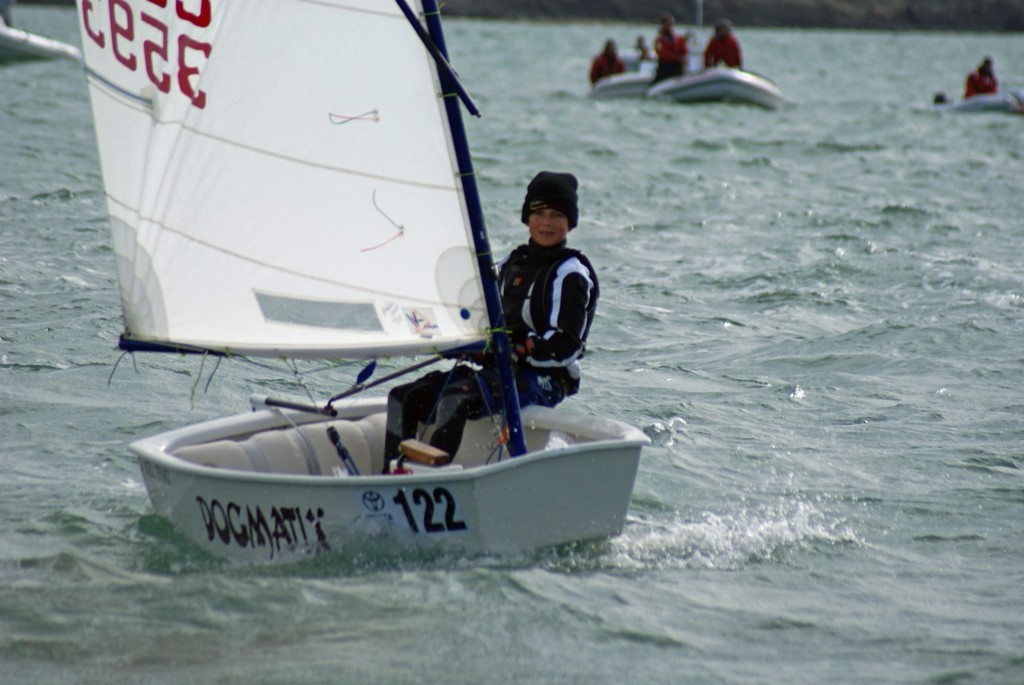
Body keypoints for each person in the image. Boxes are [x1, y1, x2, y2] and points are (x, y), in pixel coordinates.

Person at [384, 171, 599, 468]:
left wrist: (521, 347)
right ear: (527, 219)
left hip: (547, 377)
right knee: (402, 398)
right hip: (499, 369)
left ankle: (428, 478)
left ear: (570, 223)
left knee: (453, 401)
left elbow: (568, 345)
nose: (547, 222)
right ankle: (392, 472)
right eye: (539, 213)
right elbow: (472, 311)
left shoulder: (571, 274)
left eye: (557, 215)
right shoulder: (510, 263)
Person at [653, 12, 688, 83]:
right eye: (668, 24)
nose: (670, 26)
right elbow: (662, 53)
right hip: (665, 67)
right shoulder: (660, 40)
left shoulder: (678, 38)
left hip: (677, 68)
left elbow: (684, 51)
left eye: (671, 24)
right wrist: (677, 57)